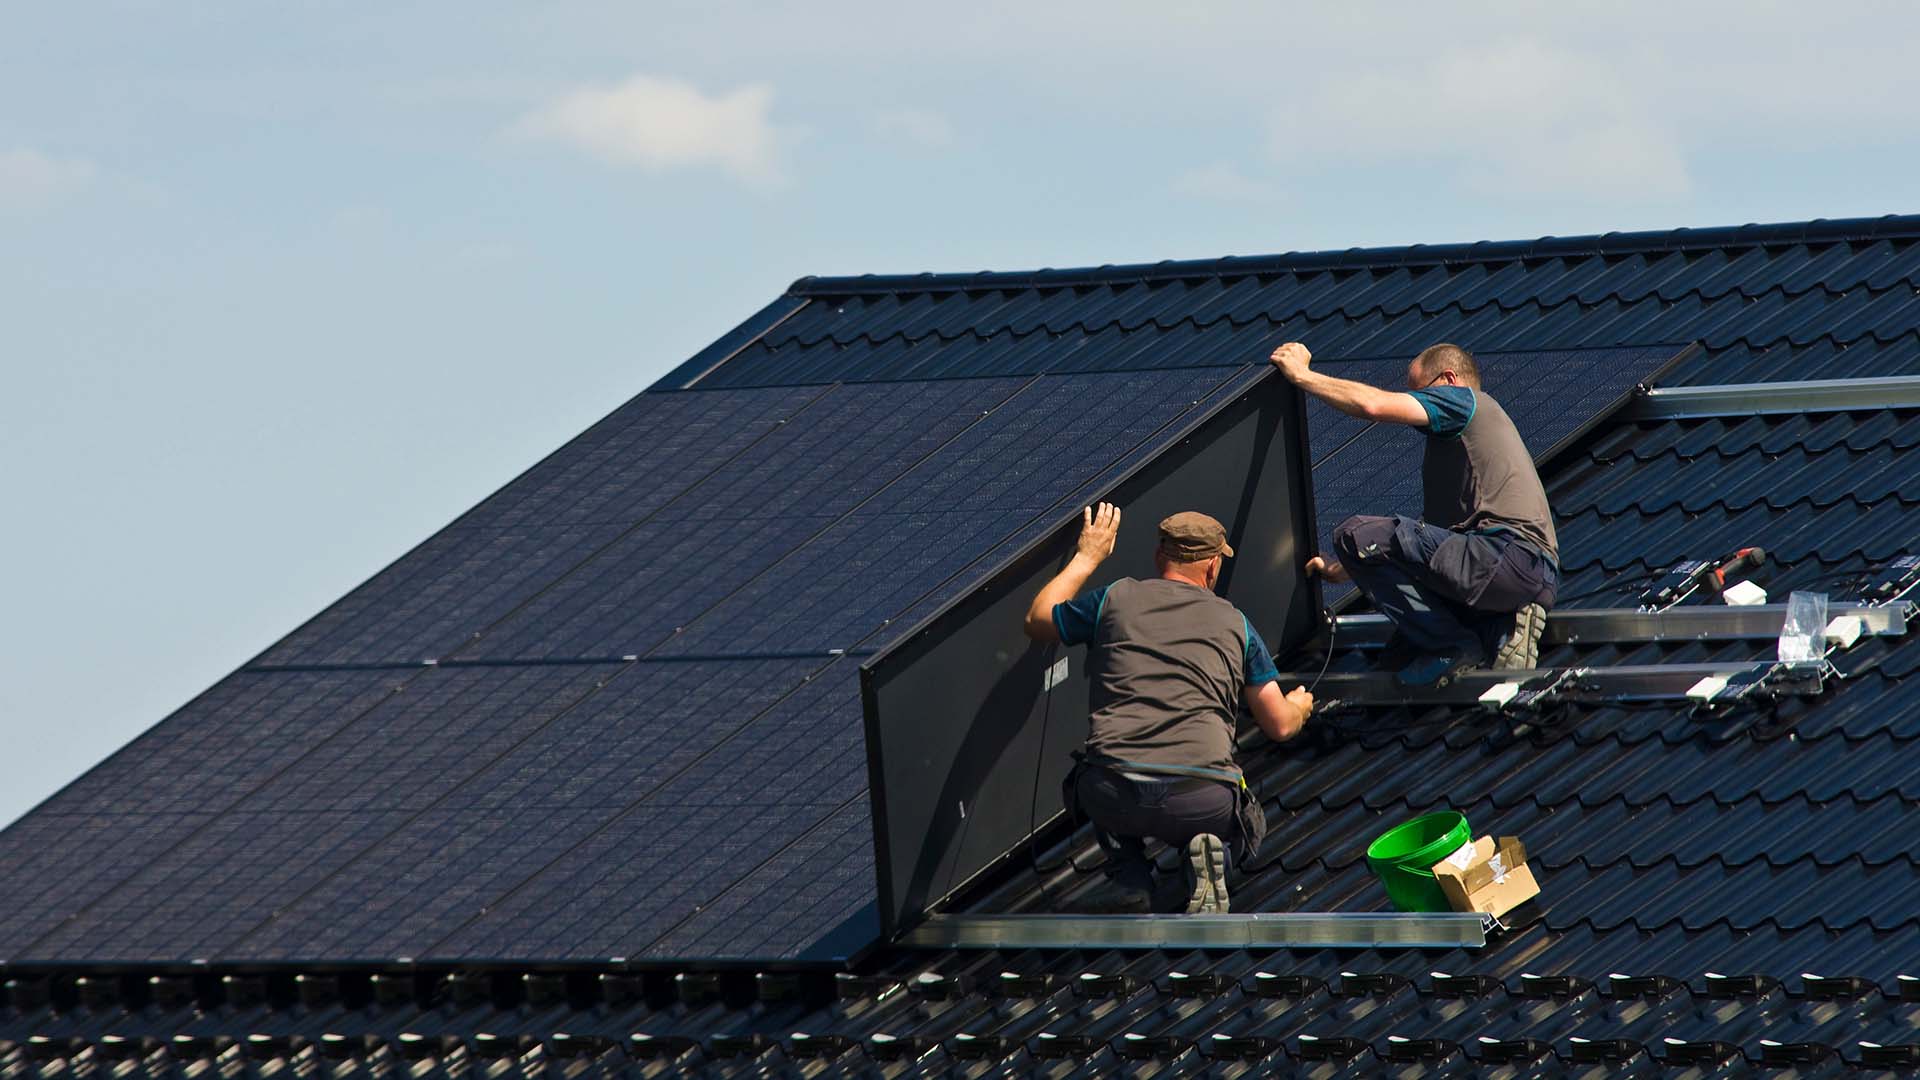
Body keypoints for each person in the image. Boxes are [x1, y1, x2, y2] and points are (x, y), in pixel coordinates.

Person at [1022, 503, 1313, 914]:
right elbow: (1279, 725)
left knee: (1088, 775)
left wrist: (1086, 557)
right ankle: (1213, 858)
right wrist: (1300, 706)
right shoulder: (1236, 624)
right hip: (1201, 799)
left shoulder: (1114, 599)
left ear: (1160, 557)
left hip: (1113, 792)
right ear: (1213, 567)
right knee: (1240, 817)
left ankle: (1131, 879)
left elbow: (1037, 619)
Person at [1269, 340, 1560, 686]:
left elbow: (1373, 405)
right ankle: (1504, 624)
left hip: (1505, 558)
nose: (1419, 402)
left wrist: (1302, 375)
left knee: (1355, 534)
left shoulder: (1466, 401)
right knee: (1396, 663)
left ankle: (1451, 645)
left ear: (1449, 379)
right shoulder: (1467, 452)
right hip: (1522, 573)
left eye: (1422, 392)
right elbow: (1427, 549)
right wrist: (1351, 565)